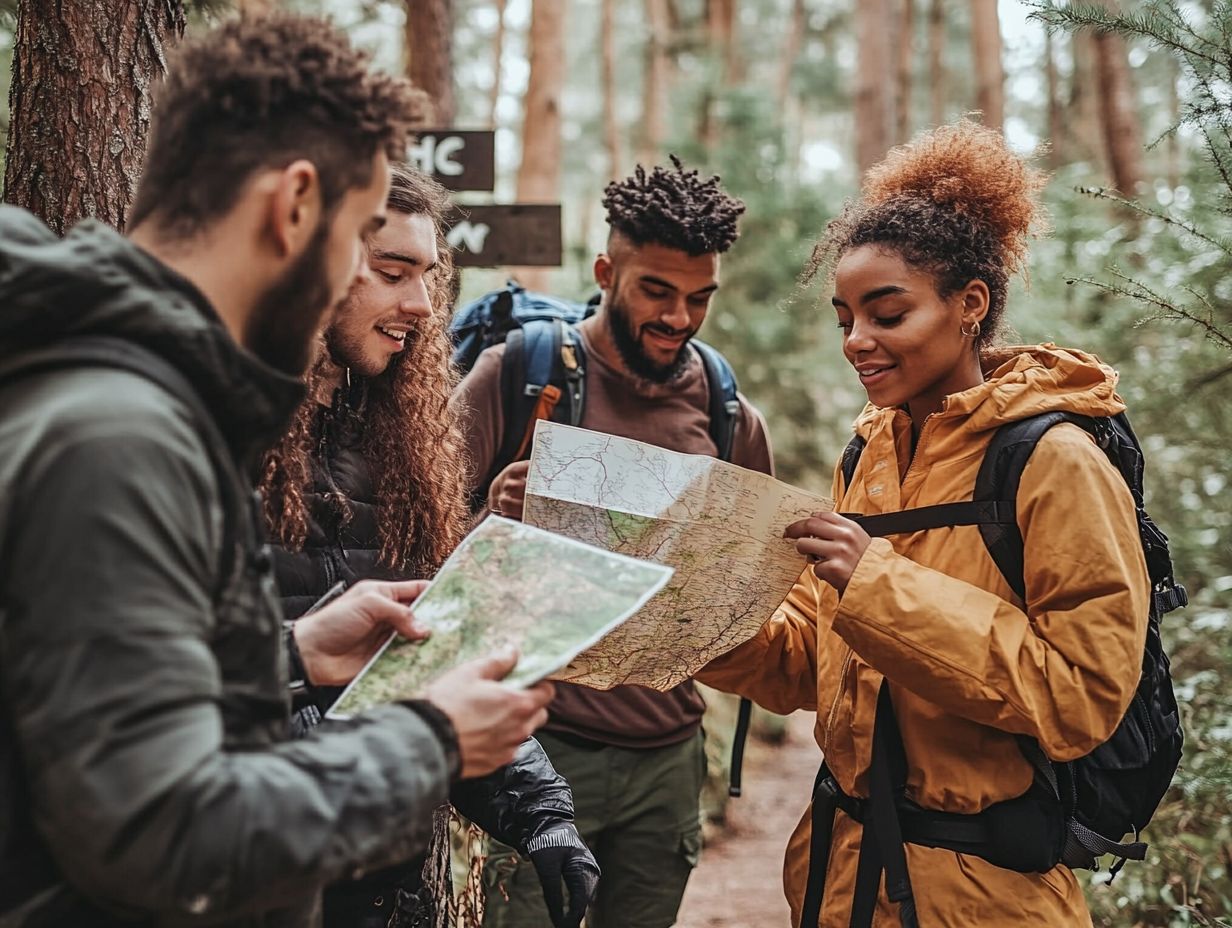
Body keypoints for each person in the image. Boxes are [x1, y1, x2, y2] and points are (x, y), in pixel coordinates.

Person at [0, 15, 554, 927]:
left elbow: (81, 696)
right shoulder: (118, 436)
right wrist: (431, 741)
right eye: (355, 244)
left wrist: (288, 655)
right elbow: (161, 836)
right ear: (294, 204)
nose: (363, 286)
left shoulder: (140, 404)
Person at [698, 121, 1151, 926]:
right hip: (843, 882)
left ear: (969, 305)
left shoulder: (1053, 459)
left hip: (985, 895)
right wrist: (697, 622)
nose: (857, 342)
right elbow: (812, 664)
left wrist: (875, 580)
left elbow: (1083, 693)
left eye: (887, 314)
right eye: (844, 319)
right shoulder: (866, 454)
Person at [261, 163, 599, 928]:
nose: (420, 304)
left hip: (384, 892)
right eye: (391, 272)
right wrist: (404, 743)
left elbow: (428, 660)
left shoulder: (396, 449)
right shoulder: (202, 441)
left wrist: (540, 814)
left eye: (428, 277)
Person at [454, 159, 775, 928]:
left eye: (699, 298)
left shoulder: (729, 414)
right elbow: (411, 538)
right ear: (606, 271)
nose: (678, 317)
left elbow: (750, 589)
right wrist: (489, 521)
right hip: (535, 749)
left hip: (667, 760)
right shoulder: (520, 373)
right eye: (656, 291)